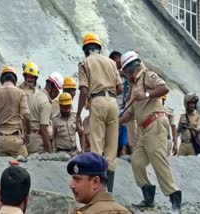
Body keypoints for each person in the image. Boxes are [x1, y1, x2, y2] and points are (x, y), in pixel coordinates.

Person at [119, 51, 181, 212]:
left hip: (155, 124)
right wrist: (114, 122)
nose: (125, 75)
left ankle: (175, 198)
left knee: (158, 161)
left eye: (125, 71)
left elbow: (164, 88)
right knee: (137, 162)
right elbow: (129, 113)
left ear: (131, 68)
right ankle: (148, 197)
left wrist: (146, 94)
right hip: (144, 130)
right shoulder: (133, 87)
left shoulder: (148, 76)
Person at [76, 33, 123, 192]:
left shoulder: (84, 63)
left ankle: (96, 191)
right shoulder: (110, 62)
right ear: (98, 48)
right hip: (113, 103)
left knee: (96, 146)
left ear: (86, 50)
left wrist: (78, 114)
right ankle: (108, 191)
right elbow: (120, 88)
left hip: (97, 102)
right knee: (111, 150)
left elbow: (83, 91)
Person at [27, 72, 64, 154]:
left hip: (28, 140)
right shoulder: (46, 103)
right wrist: (50, 152)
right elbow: (44, 129)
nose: (56, 95)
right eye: (57, 92)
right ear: (53, 89)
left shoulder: (32, 96)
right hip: (38, 143)